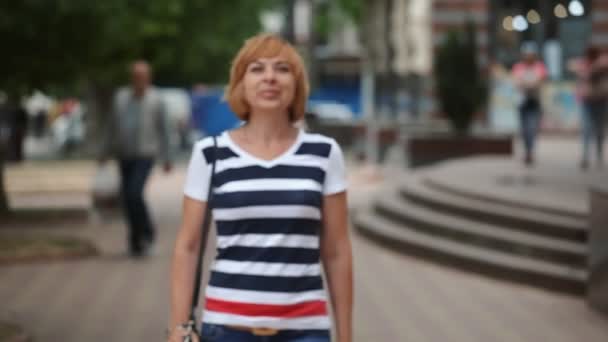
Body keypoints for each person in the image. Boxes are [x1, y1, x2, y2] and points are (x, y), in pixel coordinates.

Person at [169, 34, 353, 342]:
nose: (270, 77)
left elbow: (337, 252)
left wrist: (346, 336)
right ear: (240, 84)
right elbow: (187, 247)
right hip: (227, 329)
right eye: (256, 69)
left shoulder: (325, 153)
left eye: (282, 68)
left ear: (296, 83)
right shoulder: (210, 154)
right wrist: (179, 329)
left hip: (305, 331)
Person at [99, 60, 172, 257]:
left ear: (148, 78)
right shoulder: (120, 98)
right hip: (124, 154)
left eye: (143, 76)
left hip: (145, 155)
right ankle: (135, 241)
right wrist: (104, 152)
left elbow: (165, 130)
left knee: (134, 194)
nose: (139, 79)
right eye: (136, 76)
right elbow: (111, 127)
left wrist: (168, 158)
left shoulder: (156, 99)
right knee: (126, 198)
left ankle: (147, 232)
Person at [568, 46, 608, 169]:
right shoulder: (583, 64)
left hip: (602, 99)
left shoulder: (603, 63)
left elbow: (599, 68)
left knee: (600, 129)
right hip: (587, 100)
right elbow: (572, 66)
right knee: (586, 129)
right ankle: (585, 156)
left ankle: (599, 155)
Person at [511, 42, 548, 166]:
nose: (529, 57)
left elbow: (538, 82)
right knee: (524, 129)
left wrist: (526, 83)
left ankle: (530, 152)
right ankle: (527, 151)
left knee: (532, 128)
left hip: (535, 102)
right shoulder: (518, 67)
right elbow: (517, 83)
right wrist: (529, 83)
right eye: (527, 55)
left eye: (531, 55)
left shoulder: (540, 66)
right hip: (522, 103)